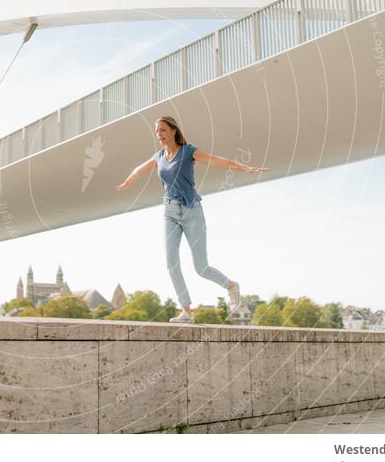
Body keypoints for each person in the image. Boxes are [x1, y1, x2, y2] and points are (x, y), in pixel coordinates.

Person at [115, 116, 269, 323]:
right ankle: (187, 311)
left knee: (201, 268)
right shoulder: (158, 156)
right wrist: (127, 182)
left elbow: (216, 160)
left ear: (173, 131)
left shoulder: (188, 152)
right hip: (169, 212)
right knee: (171, 263)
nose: (159, 135)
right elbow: (139, 170)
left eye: (163, 130)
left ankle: (231, 286)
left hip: (192, 212)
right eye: (157, 132)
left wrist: (245, 168)